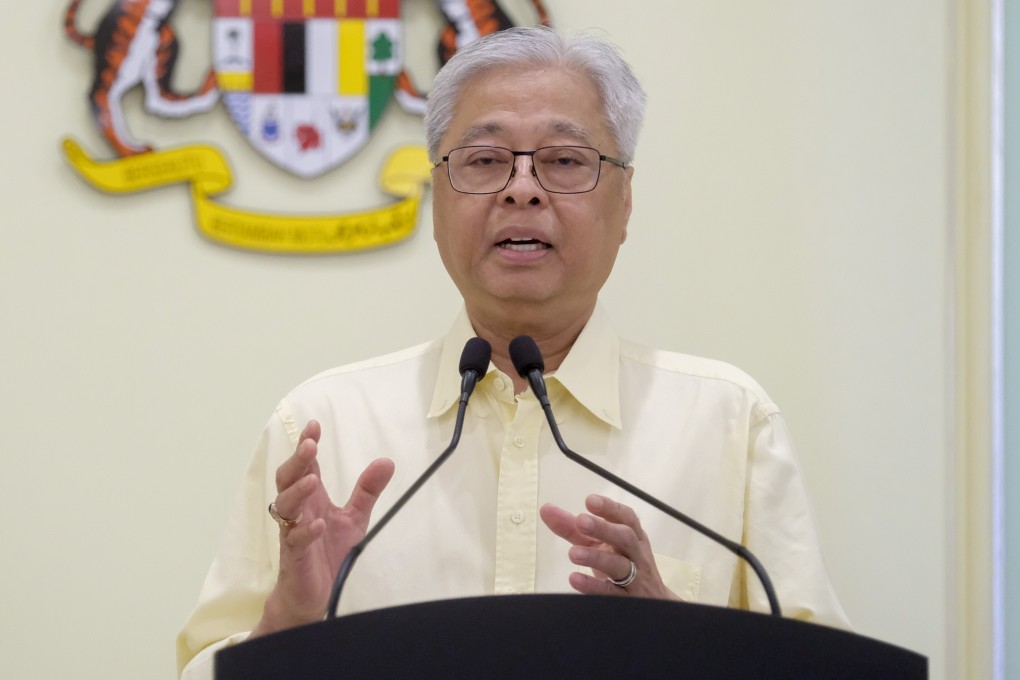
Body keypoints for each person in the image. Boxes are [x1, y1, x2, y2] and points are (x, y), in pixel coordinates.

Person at [177, 26, 850, 679]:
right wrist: (284, 634)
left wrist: (678, 641)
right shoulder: (325, 428)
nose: (521, 188)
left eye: (563, 161)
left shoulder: (730, 424)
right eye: (485, 161)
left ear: (625, 202)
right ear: (438, 199)